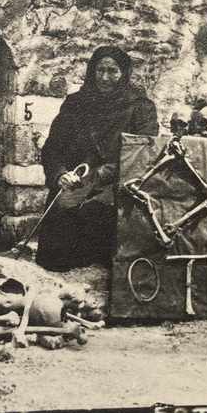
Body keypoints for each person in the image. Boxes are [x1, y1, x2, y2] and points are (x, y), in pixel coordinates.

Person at [36, 45, 158, 271]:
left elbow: (144, 154)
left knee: (96, 215)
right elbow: (52, 148)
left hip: (117, 184)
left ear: (124, 73)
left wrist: (102, 174)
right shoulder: (75, 104)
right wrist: (60, 175)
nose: (104, 77)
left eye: (112, 71)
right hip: (76, 181)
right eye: (100, 70)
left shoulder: (140, 108)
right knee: (56, 246)